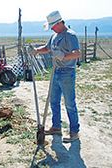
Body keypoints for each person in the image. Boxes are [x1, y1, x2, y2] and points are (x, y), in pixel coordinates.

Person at [28, 11, 81, 143]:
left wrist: (63, 56)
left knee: (69, 103)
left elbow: (77, 53)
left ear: (58, 23)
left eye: (52, 25)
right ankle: (56, 127)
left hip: (67, 72)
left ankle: (74, 132)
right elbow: (47, 48)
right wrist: (36, 51)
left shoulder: (70, 35)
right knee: (53, 101)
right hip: (56, 72)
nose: (51, 28)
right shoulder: (54, 36)